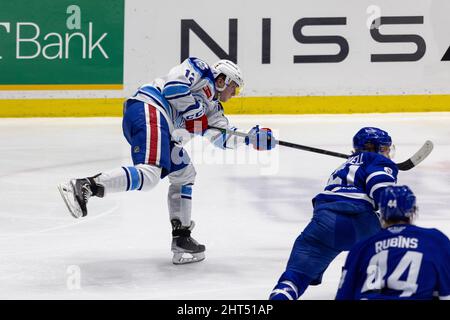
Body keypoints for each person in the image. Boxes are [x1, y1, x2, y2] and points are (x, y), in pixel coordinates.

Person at [58, 57, 276, 265]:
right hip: (150, 108)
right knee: (150, 175)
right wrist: (194, 115)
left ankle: (182, 237)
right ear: (222, 80)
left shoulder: (213, 109)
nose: (233, 94)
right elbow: (173, 88)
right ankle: (86, 185)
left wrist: (250, 138)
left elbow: (222, 136)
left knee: (185, 173)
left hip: (163, 125)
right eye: (233, 87)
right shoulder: (199, 69)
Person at [269, 127, 398, 300]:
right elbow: (381, 189)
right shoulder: (377, 160)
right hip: (360, 222)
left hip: (323, 224)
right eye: (385, 148)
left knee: (294, 278)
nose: (388, 153)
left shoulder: (342, 166)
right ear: (374, 148)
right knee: (400, 254)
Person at [335, 185, 450, 300]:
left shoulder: (362, 247)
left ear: (382, 213)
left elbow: (343, 296)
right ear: (413, 211)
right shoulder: (435, 240)